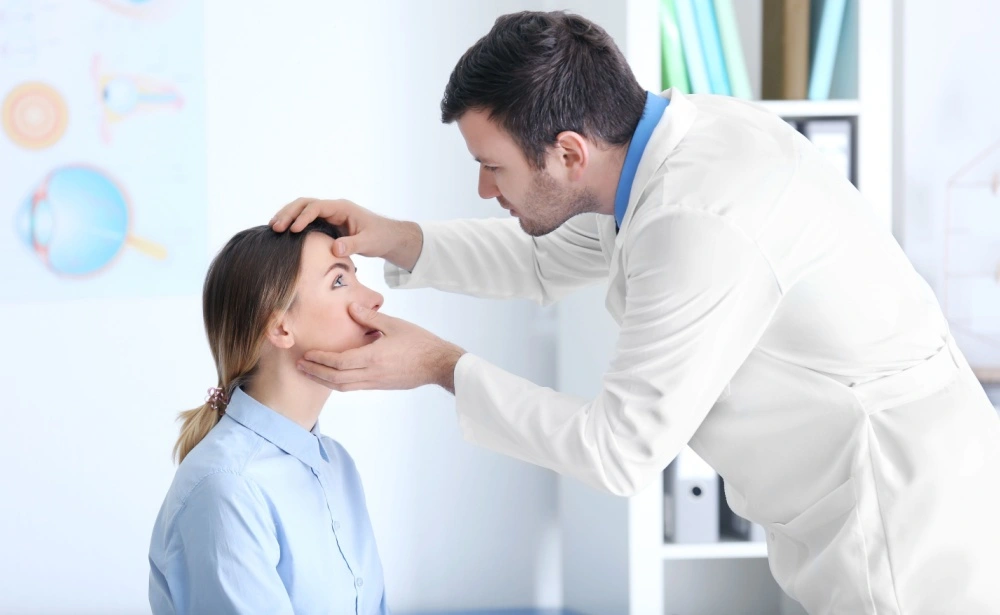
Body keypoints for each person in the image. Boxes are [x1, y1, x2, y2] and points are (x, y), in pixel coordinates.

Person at [270, 10, 1000, 615]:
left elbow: (617, 450)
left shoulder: (701, 220)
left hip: (902, 531)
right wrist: (394, 235)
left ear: (568, 151)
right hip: (876, 494)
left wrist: (440, 365)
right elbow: (544, 257)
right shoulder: (665, 146)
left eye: (495, 167)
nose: (487, 190)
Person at [148, 220, 390, 615]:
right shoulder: (227, 488)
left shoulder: (337, 464)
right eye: (339, 282)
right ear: (279, 326)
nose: (375, 298)